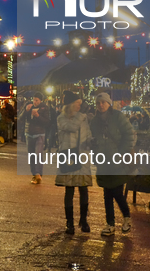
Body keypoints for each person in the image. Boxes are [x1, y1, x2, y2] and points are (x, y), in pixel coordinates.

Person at [90, 92, 135, 236]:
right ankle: (110, 224)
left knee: (116, 192)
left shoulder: (118, 117)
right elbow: (91, 138)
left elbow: (129, 134)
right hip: (103, 162)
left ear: (109, 103)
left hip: (117, 162)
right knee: (107, 194)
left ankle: (127, 218)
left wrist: (121, 153)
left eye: (103, 102)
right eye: (98, 103)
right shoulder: (94, 121)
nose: (101, 105)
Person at [55, 91, 92, 235]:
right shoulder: (61, 118)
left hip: (82, 158)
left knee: (83, 189)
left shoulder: (83, 119)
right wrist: (81, 116)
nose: (80, 106)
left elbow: (87, 134)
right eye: (78, 103)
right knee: (69, 190)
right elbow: (71, 128)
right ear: (71, 104)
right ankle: (69, 222)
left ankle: (83, 220)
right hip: (68, 157)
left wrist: (90, 141)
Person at [19, 92, 50, 184]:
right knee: (31, 155)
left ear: (41, 100)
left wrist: (38, 116)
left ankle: (38, 174)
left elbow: (47, 122)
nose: (35, 102)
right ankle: (34, 175)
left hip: (39, 134)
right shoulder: (28, 106)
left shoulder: (45, 108)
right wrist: (26, 110)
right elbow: (20, 118)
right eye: (34, 99)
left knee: (38, 154)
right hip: (29, 134)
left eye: (37, 100)